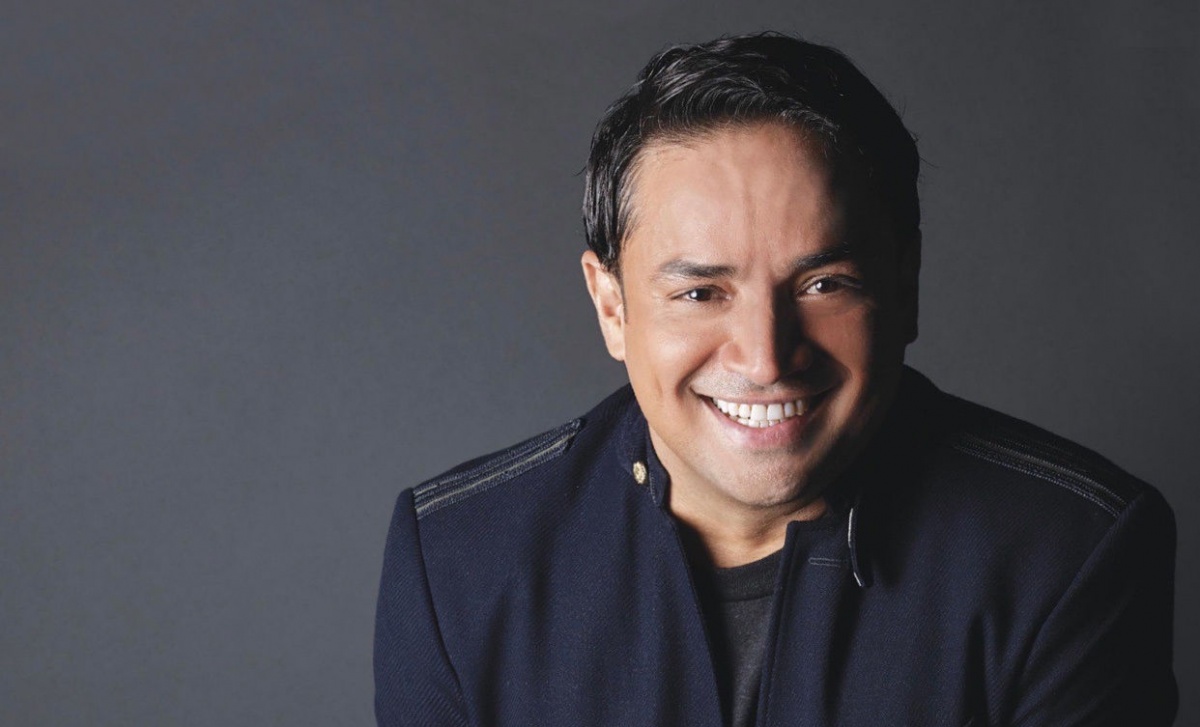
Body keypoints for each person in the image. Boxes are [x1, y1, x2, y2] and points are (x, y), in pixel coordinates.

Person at [374, 32, 1177, 727]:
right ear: (611, 307)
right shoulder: (458, 563)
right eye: (701, 293)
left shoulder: (1067, 553)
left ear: (904, 287)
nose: (764, 358)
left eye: (823, 284)